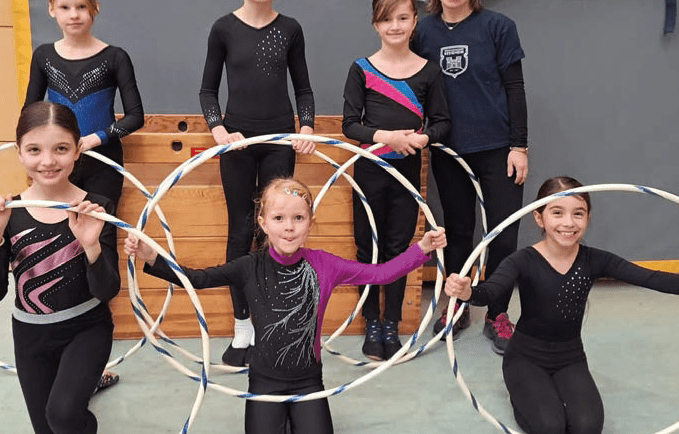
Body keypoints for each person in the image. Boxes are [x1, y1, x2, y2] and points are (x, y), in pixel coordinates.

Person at [124, 178, 446, 434]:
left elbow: (380, 274)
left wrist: (421, 248)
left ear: (310, 222)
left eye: (298, 218)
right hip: (264, 379)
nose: (288, 227)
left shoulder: (326, 265)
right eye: (279, 218)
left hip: (308, 379)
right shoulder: (249, 266)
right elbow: (197, 279)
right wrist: (152, 257)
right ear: (263, 223)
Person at [444, 176, 679, 434]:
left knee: (587, 427)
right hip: (524, 358)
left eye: (578, 213)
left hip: (570, 357)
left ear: (588, 218)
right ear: (538, 217)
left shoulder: (596, 260)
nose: (568, 223)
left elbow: (655, 279)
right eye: (557, 212)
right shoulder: (522, 260)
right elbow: (490, 292)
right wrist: (467, 292)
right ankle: (521, 390)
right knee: (550, 427)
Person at [199, 0, 317, 366]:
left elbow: (303, 89)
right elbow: (208, 90)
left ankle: (274, 324)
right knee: (241, 231)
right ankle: (243, 326)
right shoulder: (223, 29)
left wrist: (305, 127)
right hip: (238, 144)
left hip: (279, 142)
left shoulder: (290, 29)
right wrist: (218, 128)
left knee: (278, 235)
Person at [24, 0, 143, 390]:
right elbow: (31, 115)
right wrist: (41, 159)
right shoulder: (44, 56)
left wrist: (94, 138)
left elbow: (134, 116)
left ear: (94, 8)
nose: (74, 15)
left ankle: (91, 364)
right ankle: (62, 355)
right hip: (59, 169)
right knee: (58, 253)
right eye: (65, 7)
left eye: (81, 6)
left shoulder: (114, 57)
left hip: (103, 166)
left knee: (96, 251)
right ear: (52, 11)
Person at [0, 102, 120, 434]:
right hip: (30, 336)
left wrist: (90, 244)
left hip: (86, 329)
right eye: (35, 150)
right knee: (47, 429)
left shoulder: (96, 208)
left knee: (65, 417)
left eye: (61, 149)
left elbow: (107, 290)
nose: (48, 161)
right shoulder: (8, 213)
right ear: (20, 153)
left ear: (78, 150)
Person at [411, 0, 528, 353]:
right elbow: (414, 91)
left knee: (503, 233)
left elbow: (514, 88)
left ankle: (497, 312)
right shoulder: (421, 32)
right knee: (459, 231)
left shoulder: (499, 27)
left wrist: (519, 146)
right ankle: (457, 305)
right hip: (449, 149)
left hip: (497, 146)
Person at [341, 0, 450, 360]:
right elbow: (350, 126)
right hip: (369, 172)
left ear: (414, 22)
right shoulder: (362, 69)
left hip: (407, 174)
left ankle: (392, 323)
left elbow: (442, 123)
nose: (395, 25)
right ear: (376, 24)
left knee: (399, 248)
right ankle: (371, 323)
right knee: (368, 248)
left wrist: (421, 139)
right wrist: (385, 136)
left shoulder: (428, 72)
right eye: (387, 19)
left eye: (403, 17)